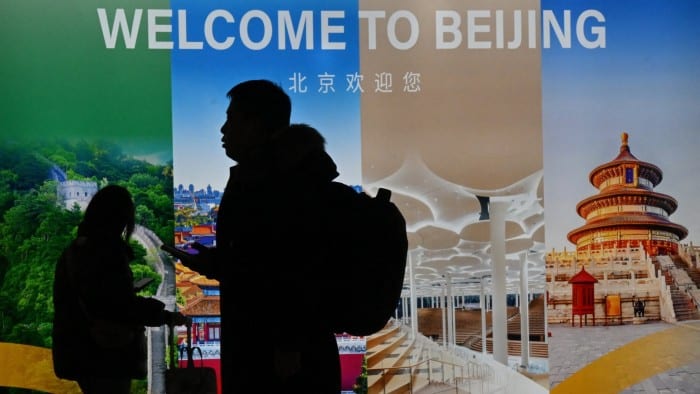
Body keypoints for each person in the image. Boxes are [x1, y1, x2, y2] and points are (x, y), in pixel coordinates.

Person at [176, 79, 344, 393]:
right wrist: (211, 261)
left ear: (256, 125)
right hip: (279, 347)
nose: (223, 130)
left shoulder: (279, 184)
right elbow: (255, 261)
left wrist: (288, 342)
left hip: (278, 357)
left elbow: (295, 265)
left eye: (231, 119)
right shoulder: (284, 176)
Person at [53, 184, 188, 394]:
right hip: (106, 353)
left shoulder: (73, 250)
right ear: (120, 219)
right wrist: (165, 315)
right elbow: (121, 306)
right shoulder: (107, 252)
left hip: (76, 351)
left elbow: (91, 298)